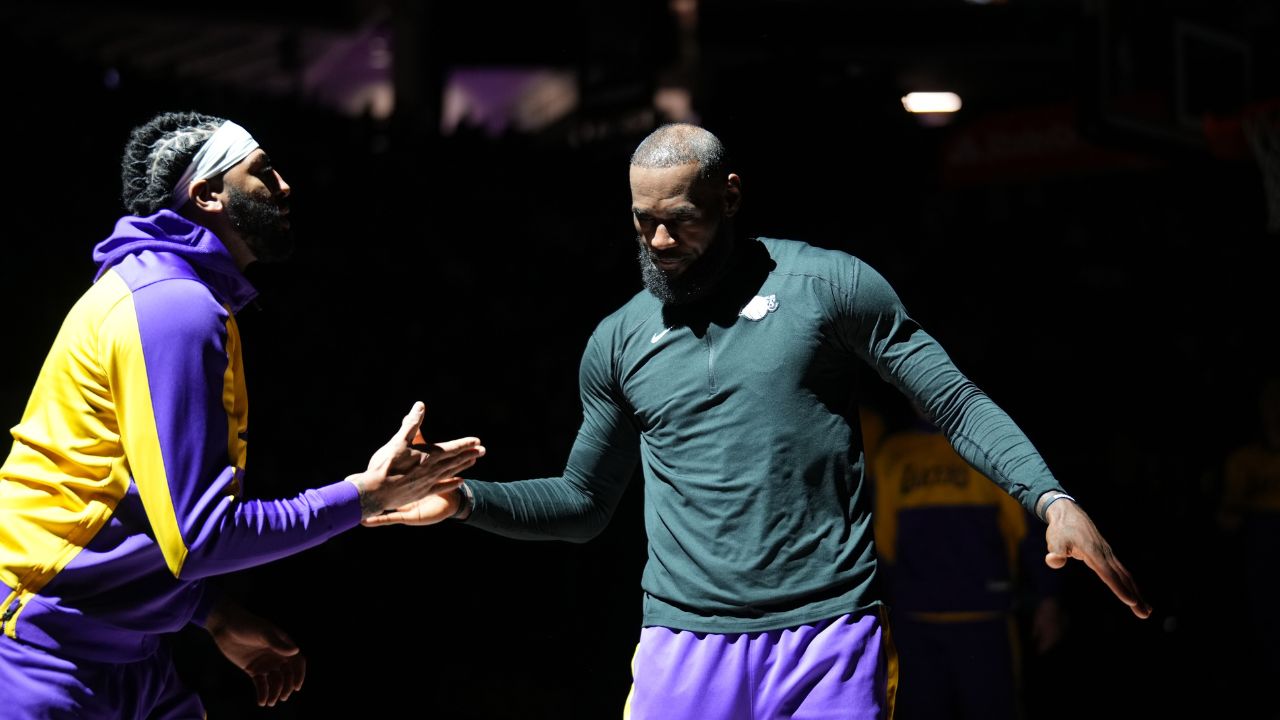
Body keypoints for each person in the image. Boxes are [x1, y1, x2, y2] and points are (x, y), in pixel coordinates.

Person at [366, 123, 1149, 719]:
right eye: (644, 222)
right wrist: (467, 502)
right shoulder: (618, 340)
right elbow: (582, 505)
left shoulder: (829, 286)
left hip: (829, 634)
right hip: (684, 645)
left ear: (731, 195)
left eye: (683, 219)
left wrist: (1051, 499)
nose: (662, 241)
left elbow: (952, 400)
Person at [0, 111, 484, 718]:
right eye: (262, 172)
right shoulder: (172, 308)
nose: (285, 186)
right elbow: (201, 539)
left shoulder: (171, 292)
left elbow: (126, 498)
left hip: (129, 655)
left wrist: (212, 613)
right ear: (206, 195)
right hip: (42, 656)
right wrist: (364, 495)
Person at [870, 403, 1064, 720]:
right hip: (915, 624)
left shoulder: (987, 448)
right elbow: (883, 542)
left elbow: (1027, 532)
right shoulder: (892, 452)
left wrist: (1049, 598)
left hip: (985, 620)